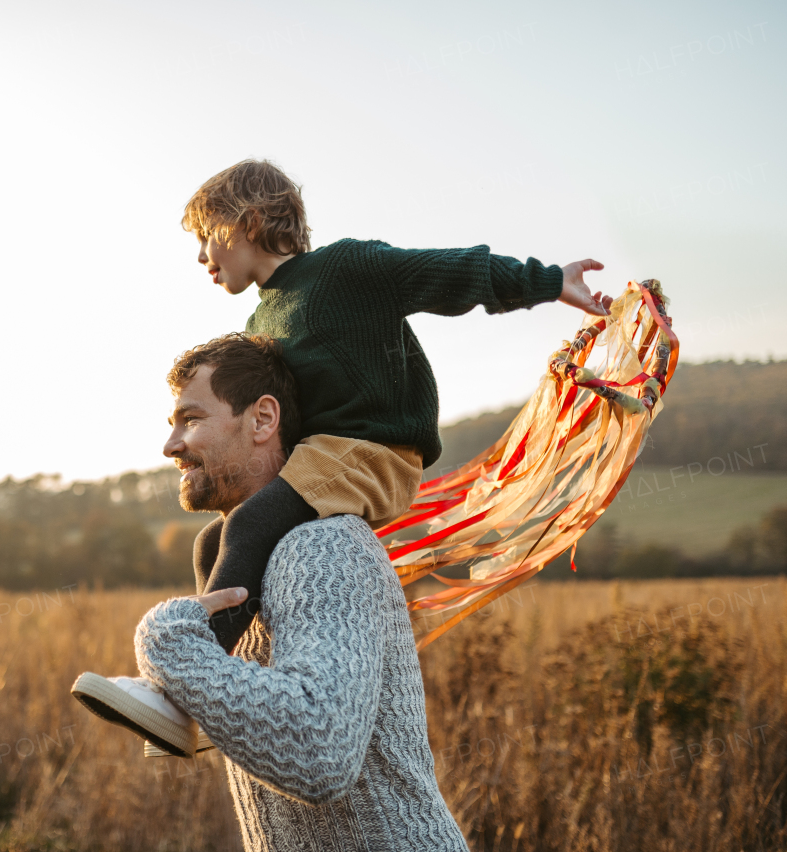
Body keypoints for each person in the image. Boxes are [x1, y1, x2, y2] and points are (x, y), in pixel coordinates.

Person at [73, 159, 612, 755]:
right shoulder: (260, 318)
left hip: (374, 450)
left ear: (249, 222)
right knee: (212, 542)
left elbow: (444, 272)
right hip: (320, 456)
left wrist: (545, 280)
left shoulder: (344, 269)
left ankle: (174, 688)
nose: (201, 255)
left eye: (207, 235)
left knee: (249, 524)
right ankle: (196, 704)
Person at [87, 334, 472, 851]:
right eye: (173, 424)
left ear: (263, 420)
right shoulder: (243, 558)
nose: (171, 445)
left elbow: (320, 753)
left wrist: (166, 643)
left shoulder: (323, 547)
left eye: (192, 419)